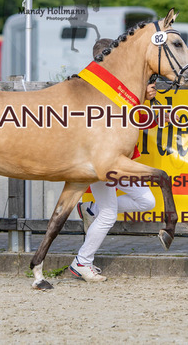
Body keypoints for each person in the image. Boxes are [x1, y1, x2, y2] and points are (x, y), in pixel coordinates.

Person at [69, 39, 162, 282]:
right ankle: (82, 262)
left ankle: (91, 210)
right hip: (101, 158)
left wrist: (143, 97)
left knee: (146, 201)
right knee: (109, 214)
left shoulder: (117, 86)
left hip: (115, 158)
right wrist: (141, 96)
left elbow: (135, 121)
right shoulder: (95, 86)